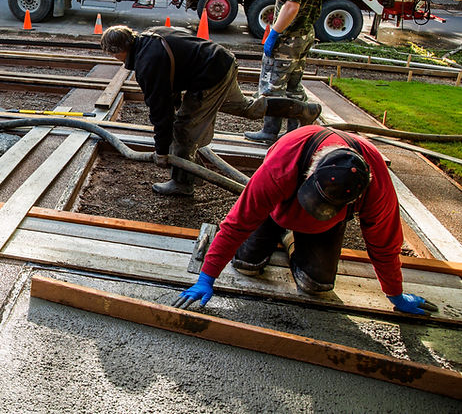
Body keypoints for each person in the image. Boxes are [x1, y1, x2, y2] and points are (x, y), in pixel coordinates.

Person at [174, 125, 439, 316]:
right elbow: (238, 222)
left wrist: (395, 294)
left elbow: (384, 243)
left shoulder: (377, 183)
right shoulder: (283, 164)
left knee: (316, 286)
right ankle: (282, 230)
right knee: (246, 265)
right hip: (276, 212)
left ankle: (291, 238)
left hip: (324, 227)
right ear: (311, 173)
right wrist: (206, 277)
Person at [99, 25, 322, 196]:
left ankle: (183, 183)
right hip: (221, 61)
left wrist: (162, 152)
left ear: (118, 50)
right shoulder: (149, 37)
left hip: (209, 77)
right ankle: (304, 110)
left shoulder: (147, 63)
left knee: (183, 128)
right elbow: (173, 75)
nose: (115, 59)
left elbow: (160, 110)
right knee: (246, 108)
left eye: (112, 55)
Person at [246, 0, 325, 144]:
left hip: (290, 37)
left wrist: (275, 33)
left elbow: (292, 5)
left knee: (273, 84)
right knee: (293, 86)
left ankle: (270, 132)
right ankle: (296, 132)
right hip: (304, 33)